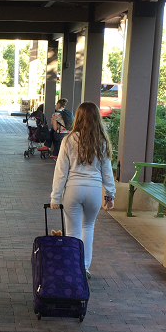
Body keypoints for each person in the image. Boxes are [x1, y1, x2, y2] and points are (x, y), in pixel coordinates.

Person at [50, 102, 116, 279]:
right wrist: (109, 195)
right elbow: (107, 171)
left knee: (72, 232)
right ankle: (84, 267)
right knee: (89, 227)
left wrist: (55, 197)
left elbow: (61, 171)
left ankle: (71, 266)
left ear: (78, 117)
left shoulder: (68, 140)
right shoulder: (101, 141)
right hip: (94, 191)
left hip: (73, 190)